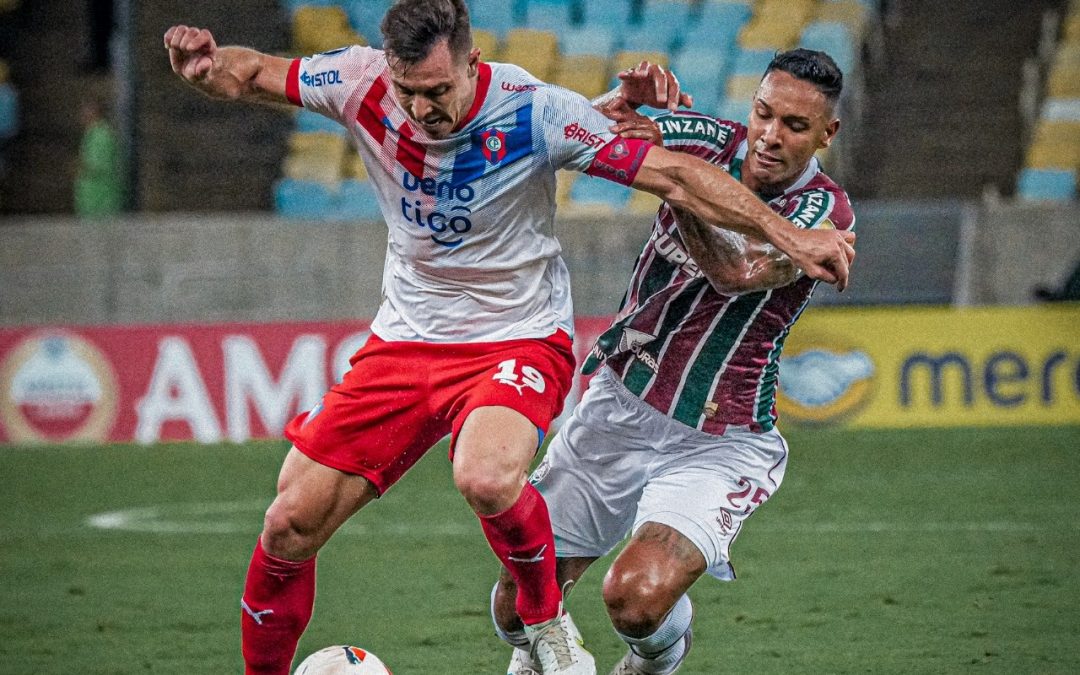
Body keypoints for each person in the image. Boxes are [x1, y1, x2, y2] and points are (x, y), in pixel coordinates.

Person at [164, 1, 854, 671]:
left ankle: (599, 641)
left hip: (620, 386)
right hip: (483, 363)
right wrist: (206, 66)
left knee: (562, 539)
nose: (423, 108)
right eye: (763, 113)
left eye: (439, 90)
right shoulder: (357, 79)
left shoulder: (823, 212)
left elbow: (720, 250)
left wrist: (787, 233)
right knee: (294, 522)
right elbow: (253, 73)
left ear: (474, 63)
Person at [493, 49, 856, 675]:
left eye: (795, 127)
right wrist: (623, 100)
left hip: (720, 438)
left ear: (828, 133)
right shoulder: (709, 139)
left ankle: (657, 657)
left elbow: (734, 270)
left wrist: (675, 183)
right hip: (617, 407)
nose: (769, 137)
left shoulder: (825, 216)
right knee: (514, 608)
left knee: (633, 599)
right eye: (764, 114)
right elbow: (589, 133)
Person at [75, 97, 124, 219]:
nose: (81, 115)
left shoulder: (102, 136)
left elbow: (100, 166)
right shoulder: (90, 134)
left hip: (100, 202)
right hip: (90, 203)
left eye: (85, 110)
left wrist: (78, 166)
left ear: (94, 112)